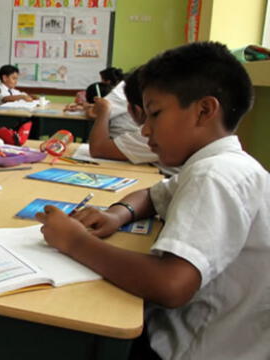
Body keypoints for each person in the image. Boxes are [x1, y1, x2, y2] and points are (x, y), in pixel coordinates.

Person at [36, 42, 269, 360]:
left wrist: (75, 242)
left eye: (155, 113)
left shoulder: (214, 175)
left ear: (204, 110)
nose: (145, 129)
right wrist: (117, 214)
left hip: (190, 347)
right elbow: (151, 194)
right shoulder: (218, 163)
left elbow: (171, 285)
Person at [87, 68, 179, 176]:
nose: (145, 131)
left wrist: (104, 112)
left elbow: (98, 149)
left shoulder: (159, 133)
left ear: (133, 109)